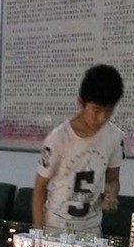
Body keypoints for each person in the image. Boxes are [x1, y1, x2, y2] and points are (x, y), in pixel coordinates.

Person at [32, 64, 125, 236]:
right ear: (81, 103)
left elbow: (113, 178)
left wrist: (111, 192)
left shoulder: (114, 137)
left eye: (108, 111)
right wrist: (37, 234)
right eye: (96, 110)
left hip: (91, 229)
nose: (102, 118)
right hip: (56, 227)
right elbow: (40, 187)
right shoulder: (59, 138)